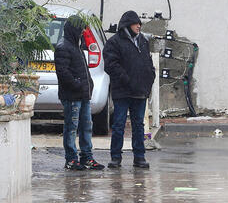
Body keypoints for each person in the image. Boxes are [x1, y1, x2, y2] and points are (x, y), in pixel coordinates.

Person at [103, 10, 156, 169]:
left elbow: (148, 62)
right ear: (127, 24)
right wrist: (126, 79)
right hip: (122, 91)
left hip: (140, 91)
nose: (139, 26)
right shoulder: (114, 42)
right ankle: (115, 157)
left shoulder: (143, 41)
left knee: (138, 125)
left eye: (140, 23)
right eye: (136, 23)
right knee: (119, 124)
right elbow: (111, 65)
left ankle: (139, 157)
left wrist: (149, 78)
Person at [54, 15, 104, 171]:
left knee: (86, 127)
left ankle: (87, 157)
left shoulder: (75, 45)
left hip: (82, 95)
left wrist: (88, 85)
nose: (83, 31)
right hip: (72, 96)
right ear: (75, 29)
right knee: (71, 128)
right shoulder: (64, 46)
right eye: (81, 28)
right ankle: (71, 159)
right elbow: (63, 72)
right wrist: (77, 85)